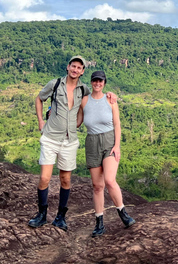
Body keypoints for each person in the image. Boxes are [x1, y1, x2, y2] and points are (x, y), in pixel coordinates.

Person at [28, 56, 116, 231]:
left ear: (82, 71)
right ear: (68, 67)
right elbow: (39, 98)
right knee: (45, 177)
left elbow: (96, 96)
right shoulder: (54, 84)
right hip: (51, 137)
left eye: (79, 68)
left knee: (65, 179)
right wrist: (40, 121)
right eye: (73, 66)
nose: (75, 70)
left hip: (69, 139)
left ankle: (61, 217)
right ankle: (42, 214)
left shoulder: (83, 89)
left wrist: (112, 95)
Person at [77, 70, 135, 237]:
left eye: (100, 81)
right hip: (92, 142)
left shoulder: (110, 100)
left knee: (109, 180)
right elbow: (78, 122)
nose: (97, 83)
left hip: (109, 141)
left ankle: (123, 212)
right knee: (97, 186)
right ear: (91, 82)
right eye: (95, 80)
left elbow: (117, 124)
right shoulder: (84, 101)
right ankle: (99, 222)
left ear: (104, 82)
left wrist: (117, 146)